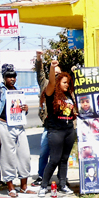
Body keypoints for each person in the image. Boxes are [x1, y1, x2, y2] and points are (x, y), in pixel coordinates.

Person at [0, 62, 32, 197]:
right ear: (3, 77)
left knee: (24, 156)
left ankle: (24, 186)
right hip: (4, 126)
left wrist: (25, 109)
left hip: (19, 127)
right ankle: (11, 187)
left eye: (14, 76)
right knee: (7, 157)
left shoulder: (18, 90)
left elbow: (19, 109)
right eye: (9, 76)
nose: (12, 79)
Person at [38, 60, 78, 197]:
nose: (67, 84)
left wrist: (74, 114)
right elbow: (51, 82)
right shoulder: (51, 94)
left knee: (64, 159)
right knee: (54, 159)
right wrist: (52, 68)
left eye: (68, 82)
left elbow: (70, 110)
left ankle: (62, 185)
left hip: (68, 130)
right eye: (64, 82)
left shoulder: (68, 95)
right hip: (56, 130)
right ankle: (43, 186)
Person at [34, 52, 59, 187]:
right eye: (53, 73)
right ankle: (41, 176)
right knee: (44, 152)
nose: (56, 76)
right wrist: (39, 59)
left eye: (58, 74)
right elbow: (39, 73)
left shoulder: (64, 87)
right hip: (48, 126)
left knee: (60, 155)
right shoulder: (45, 85)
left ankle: (62, 178)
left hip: (61, 127)